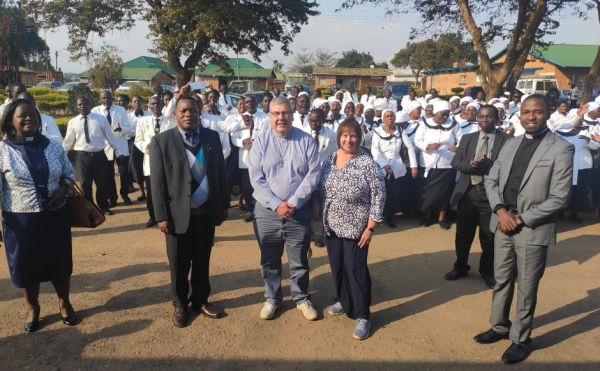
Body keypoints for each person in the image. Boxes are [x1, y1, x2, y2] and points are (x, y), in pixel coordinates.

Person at [474, 94, 574, 364]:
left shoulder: (561, 148)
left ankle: (521, 338)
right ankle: (499, 326)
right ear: (519, 115)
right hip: (502, 222)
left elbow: (560, 197)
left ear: (547, 113)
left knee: (527, 286)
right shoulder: (510, 144)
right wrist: (501, 211)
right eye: (526, 111)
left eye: (537, 112)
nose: (531, 117)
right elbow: (492, 179)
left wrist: (519, 218)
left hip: (532, 227)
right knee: (501, 278)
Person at [149, 95, 229, 328]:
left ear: (199, 112)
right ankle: (179, 304)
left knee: (202, 260)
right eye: (183, 111)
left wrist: (223, 204)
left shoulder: (212, 137)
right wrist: (161, 215)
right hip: (177, 217)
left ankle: (200, 300)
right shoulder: (162, 142)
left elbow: (220, 174)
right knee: (179, 263)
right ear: (175, 114)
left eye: (193, 110)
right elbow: (157, 183)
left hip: (206, 214)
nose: (188, 114)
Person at [0, 98, 77, 332]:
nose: (28, 119)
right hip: (20, 219)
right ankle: (32, 307)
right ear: (11, 121)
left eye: (33, 115)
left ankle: (64, 302)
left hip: (54, 215)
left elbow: (69, 172)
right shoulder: (2, 150)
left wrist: (63, 190)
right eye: (22, 116)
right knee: (25, 265)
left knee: (60, 261)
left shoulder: (53, 145)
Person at [247, 96, 320, 321]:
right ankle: (272, 298)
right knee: (269, 258)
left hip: (298, 212)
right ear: (269, 116)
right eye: (276, 114)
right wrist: (276, 204)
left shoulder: (306, 141)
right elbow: (255, 178)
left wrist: (293, 202)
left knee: (299, 258)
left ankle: (301, 297)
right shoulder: (260, 141)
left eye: (285, 113)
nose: (281, 118)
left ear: (292, 113)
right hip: (267, 212)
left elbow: (313, 175)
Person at [316, 119, 385, 340]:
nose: (349, 139)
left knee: (356, 271)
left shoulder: (368, 164)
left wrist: (371, 227)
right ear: (339, 137)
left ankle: (363, 315)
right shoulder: (331, 159)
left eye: (353, 135)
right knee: (338, 268)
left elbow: (379, 196)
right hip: (332, 225)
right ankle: (344, 301)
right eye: (345, 135)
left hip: (357, 228)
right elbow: (320, 185)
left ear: (360, 137)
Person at [446, 105, 509, 289]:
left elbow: (508, 167)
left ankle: (486, 270)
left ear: (497, 119)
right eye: (481, 116)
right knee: (463, 235)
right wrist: (472, 167)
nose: (484, 120)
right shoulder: (467, 138)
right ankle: (460, 266)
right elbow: (456, 162)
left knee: (488, 237)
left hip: (491, 196)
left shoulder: (507, 140)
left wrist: (489, 165)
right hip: (469, 193)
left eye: (489, 117)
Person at [63, 96, 127, 215]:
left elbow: (110, 137)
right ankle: (90, 210)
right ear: (76, 107)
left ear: (90, 104)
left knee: (102, 183)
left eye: (85, 104)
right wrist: (61, 155)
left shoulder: (100, 119)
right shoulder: (73, 122)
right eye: (79, 105)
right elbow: (68, 141)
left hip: (99, 156)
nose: (82, 106)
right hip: (82, 157)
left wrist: (118, 151)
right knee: (85, 185)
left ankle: (103, 207)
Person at [414, 100, 459, 229]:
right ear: (435, 112)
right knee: (427, 192)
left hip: (446, 164)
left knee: (445, 193)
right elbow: (418, 140)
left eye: (447, 115)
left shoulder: (454, 124)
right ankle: (428, 216)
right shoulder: (425, 123)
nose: (445, 117)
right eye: (442, 114)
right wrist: (427, 146)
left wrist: (457, 147)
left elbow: (462, 140)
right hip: (428, 163)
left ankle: (442, 217)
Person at [371, 109, 418, 228]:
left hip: (398, 166)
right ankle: (379, 215)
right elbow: (375, 151)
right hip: (382, 166)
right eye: (387, 116)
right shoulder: (377, 131)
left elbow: (410, 148)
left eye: (392, 116)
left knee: (395, 193)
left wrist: (413, 166)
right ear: (383, 118)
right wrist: (384, 164)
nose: (390, 118)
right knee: (382, 193)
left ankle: (390, 216)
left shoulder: (400, 130)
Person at [231, 95, 270, 222]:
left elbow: (268, 134)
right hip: (245, 156)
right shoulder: (238, 119)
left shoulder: (265, 117)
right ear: (245, 104)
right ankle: (250, 209)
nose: (250, 103)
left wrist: (256, 143)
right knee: (247, 186)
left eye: (252, 101)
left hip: (262, 156)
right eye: (247, 101)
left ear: (256, 102)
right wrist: (242, 143)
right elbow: (233, 136)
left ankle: (261, 208)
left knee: (261, 183)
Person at [134, 96, 171, 227]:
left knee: (167, 189)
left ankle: (168, 215)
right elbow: (137, 140)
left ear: (162, 105)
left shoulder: (170, 121)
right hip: (150, 161)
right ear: (149, 106)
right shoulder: (142, 121)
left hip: (167, 161)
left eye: (158, 103)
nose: (156, 106)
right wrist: (146, 147)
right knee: (151, 191)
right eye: (153, 104)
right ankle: (153, 216)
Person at [92, 90, 133, 206]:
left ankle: (125, 194)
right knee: (108, 174)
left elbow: (128, 128)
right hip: (105, 147)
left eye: (108, 97)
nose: (106, 100)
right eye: (103, 98)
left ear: (112, 98)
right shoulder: (95, 111)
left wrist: (121, 130)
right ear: (100, 99)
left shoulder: (121, 110)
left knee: (124, 173)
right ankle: (113, 198)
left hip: (120, 145)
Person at [307, 108, 336, 248]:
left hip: (325, 175)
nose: (314, 123)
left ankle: (319, 235)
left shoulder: (331, 135)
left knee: (322, 207)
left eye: (317, 120)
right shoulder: (303, 134)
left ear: (322, 120)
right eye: (311, 120)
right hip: (306, 177)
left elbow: (334, 156)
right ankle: (308, 234)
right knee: (307, 205)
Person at [126, 95, 151, 202]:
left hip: (148, 142)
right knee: (137, 168)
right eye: (134, 101)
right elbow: (127, 133)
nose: (137, 103)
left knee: (149, 166)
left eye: (139, 101)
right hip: (134, 144)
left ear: (142, 102)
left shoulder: (149, 114)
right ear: (131, 103)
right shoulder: (128, 116)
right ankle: (142, 193)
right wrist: (137, 132)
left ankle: (151, 191)